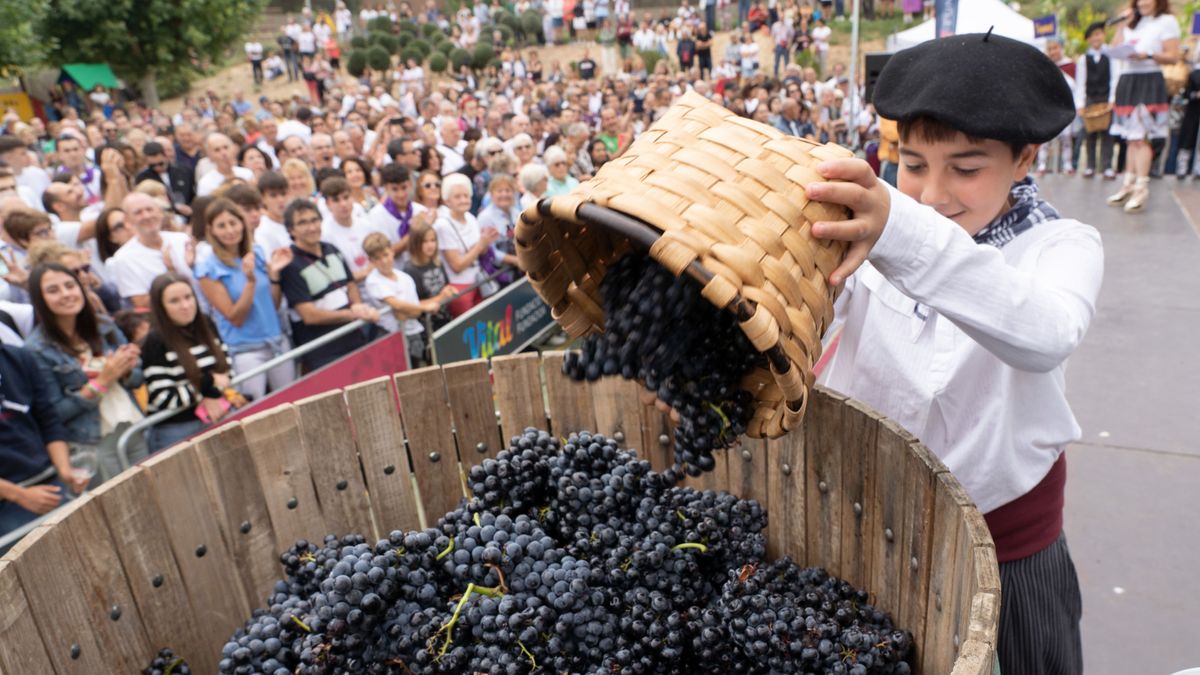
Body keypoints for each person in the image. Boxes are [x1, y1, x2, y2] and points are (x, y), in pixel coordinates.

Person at [814, 34, 1100, 675]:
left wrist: (901, 231)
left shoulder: (1060, 248)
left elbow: (1045, 332)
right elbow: (818, 315)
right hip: (872, 529)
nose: (933, 193)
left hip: (1011, 550)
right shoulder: (876, 235)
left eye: (966, 169)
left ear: (1024, 158)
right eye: (912, 165)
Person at [26, 263, 145, 481]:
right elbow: (54, 413)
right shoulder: (36, 350)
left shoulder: (104, 326)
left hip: (134, 427)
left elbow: (138, 378)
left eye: (70, 285)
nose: (66, 294)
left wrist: (126, 369)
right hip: (91, 443)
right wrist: (101, 382)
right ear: (39, 299)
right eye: (53, 290)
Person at [194, 199, 295, 401]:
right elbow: (235, 317)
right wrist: (250, 281)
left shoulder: (256, 253)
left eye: (233, 223)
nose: (230, 230)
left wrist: (274, 274)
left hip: (277, 342)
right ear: (211, 230)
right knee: (255, 410)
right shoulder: (208, 269)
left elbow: (272, 306)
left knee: (292, 400)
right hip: (246, 352)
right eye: (221, 225)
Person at [0, 343, 88, 547]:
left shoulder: (18, 356)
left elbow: (48, 419)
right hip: (8, 505)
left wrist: (65, 470)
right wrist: (18, 494)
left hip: (50, 484)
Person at [278, 199, 380, 373]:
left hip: (354, 338)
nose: (311, 227)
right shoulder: (290, 265)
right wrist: (351, 314)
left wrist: (357, 305)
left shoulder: (331, 249)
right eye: (302, 223)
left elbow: (350, 283)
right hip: (323, 352)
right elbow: (309, 315)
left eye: (314, 220)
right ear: (291, 230)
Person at [141, 273, 236, 452]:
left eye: (188, 297)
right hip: (176, 429)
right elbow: (163, 398)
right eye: (174, 301)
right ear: (161, 307)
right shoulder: (155, 341)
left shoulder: (206, 323)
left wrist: (211, 392)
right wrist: (207, 387)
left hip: (216, 414)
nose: (185, 306)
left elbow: (226, 370)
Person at [1107, 0, 1180, 212]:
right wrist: (1123, 23)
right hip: (1128, 79)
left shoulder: (1166, 21)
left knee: (1142, 137)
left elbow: (1173, 56)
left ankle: (1141, 187)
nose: (1143, 2)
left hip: (1149, 79)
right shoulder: (1132, 22)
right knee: (1131, 137)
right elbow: (1114, 49)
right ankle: (1127, 184)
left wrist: (1147, 55)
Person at [362, 233, 441, 366]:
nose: (384, 261)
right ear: (371, 261)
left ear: (392, 252)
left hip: (414, 334)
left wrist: (408, 310)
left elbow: (411, 312)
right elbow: (397, 306)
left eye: (386, 255)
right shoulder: (373, 281)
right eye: (377, 258)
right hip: (391, 338)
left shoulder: (405, 278)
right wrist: (424, 307)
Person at [109, 193, 192, 308]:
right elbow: (142, 303)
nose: (146, 216)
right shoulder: (123, 259)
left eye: (150, 209)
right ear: (127, 221)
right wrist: (171, 273)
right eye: (138, 212)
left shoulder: (181, 239)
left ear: (160, 212)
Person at [433, 174, 499, 316]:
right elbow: (457, 266)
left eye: (466, 195)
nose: (463, 200)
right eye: (457, 197)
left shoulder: (470, 217)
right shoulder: (443, 225)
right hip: (459, 286)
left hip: (478, 280)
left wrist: (486, 242)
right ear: (447, 200)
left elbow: (479, 251)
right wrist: (481, 245)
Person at [1074, 22, 1119, 180]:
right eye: (1092, 35)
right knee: (1090, 134)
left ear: (1103, 35)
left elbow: (1114, 78)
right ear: (1088, 39)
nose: (1096, 38)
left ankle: (1107, 166)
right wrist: (1080, 104)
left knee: (1108, 134)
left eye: (1098, 34)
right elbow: (1081, 82)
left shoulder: (1111, 56)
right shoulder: (1083, 59)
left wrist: (1113, 99)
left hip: (1106, 99)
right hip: (1090, 99)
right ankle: (1090, 166)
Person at [367, 163, 430, 259]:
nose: (401, 194)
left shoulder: (420, 210)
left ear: (410, 185)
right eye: (395, 189)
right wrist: (415, 231)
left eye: (404, 188)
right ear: (386, 188)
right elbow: (384, 254)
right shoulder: (376, 215)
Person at [319, 176, 376, 281]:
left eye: (346, 197)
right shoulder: (324, 234)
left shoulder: (366, 225)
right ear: (327, 204)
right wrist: (366, 272)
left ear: (352, 197)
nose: (343, 204)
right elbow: (334, 277)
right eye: (336, 200)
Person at [402, 220, 456, 331]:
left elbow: (444, 286)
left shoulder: (437, 262)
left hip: (445, 319)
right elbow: (413, 305)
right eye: (424, 241)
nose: (430, 245)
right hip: (427, 327)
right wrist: (441, 297)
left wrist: (449, 290)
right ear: (415, 244)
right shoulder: (410, 270)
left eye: (433, 240)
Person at [196, 133, 255, 197]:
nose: (223, 153)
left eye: (226, 147)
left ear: (233, 149)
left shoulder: (247, 174)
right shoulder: (206, 183)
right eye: (217, 150)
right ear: (210, 156)